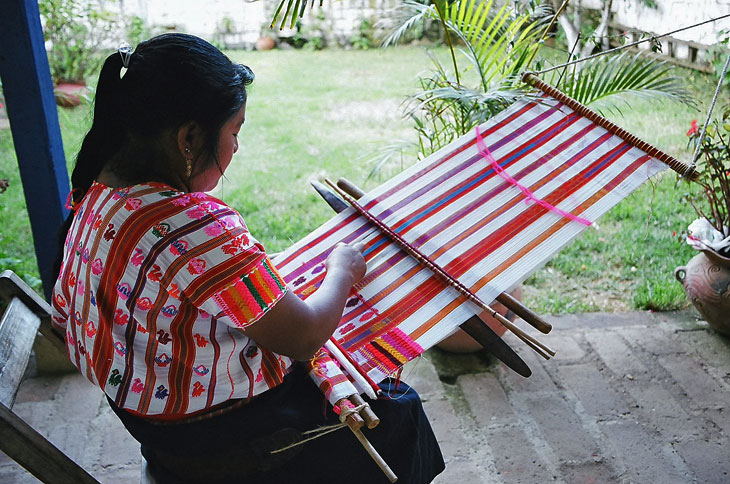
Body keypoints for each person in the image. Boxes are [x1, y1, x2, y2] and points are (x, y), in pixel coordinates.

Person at [50, 33, 444, 484]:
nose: (236, 147)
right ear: (189, 138)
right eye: (234, 132)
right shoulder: (190, 225)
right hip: (221, 439)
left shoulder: (98, 194)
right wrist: (343, 269)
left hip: (154, 424)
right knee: (399, 411)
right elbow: (305, 338)